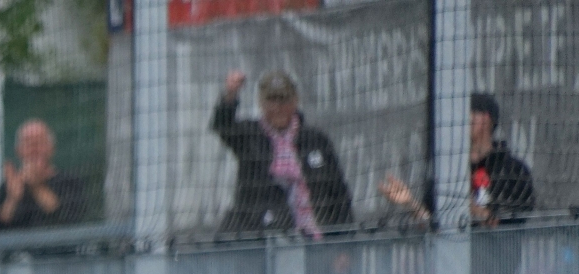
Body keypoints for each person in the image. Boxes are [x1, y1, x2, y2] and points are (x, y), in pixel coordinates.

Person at [211, 70, 352, 239]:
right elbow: (222, 126)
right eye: (271, 100)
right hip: (259, 235)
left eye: (283, 99)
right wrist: (230, 95)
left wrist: (343, 241)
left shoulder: (316, 139)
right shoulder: (249, 135)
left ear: (295, 101)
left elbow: (339, 192)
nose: (278, 107)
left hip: (314, 237)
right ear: (261, 103)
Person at [379, 92, 535, 229]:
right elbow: (431, 224)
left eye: (467, 113)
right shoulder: (446, 170)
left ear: (486, 119)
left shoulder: (513, 170)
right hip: (451, 254)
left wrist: (465, 204)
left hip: (495, 253)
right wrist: (410, 203)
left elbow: (507, 224)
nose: (460, 121)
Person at [0, 120, 88, 232]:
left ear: (51, 148)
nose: (34, 149)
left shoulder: (69, 181)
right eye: (28, 143)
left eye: (40, 142)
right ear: (18, 151)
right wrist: (12, 200)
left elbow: (71, 220)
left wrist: (36, 187)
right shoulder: (8, 186)